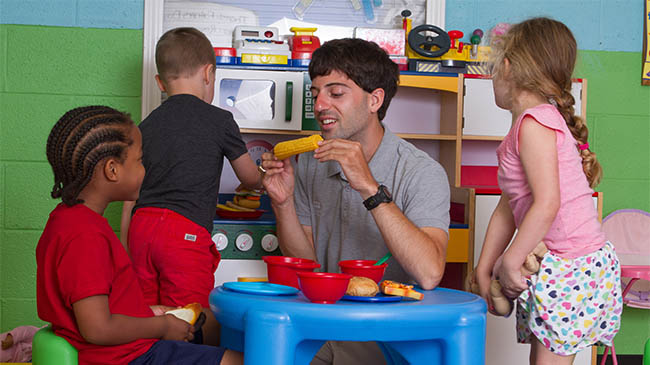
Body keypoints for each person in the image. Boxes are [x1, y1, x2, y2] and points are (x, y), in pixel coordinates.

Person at [260, 38, 450, 364]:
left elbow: (429, 273)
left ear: (375, 100)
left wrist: (368, 187)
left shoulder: (422, 172)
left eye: (335, 93)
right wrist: (284, 203)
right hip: (318, 329)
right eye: (315, 93)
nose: (319, 105)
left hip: (385, 338)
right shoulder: (308, 162)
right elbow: (306, 262)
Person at [37, 105, 243, 364]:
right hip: (129, 357)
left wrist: (150, 314)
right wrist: (162, 327)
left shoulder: (68, 220)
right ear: (112, 170)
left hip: (133, 345)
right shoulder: (84, 236)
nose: (144, 170)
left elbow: (101, 303)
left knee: (217, 320)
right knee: (243, 360)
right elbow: (97, 328)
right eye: (139, 161)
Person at [473, 17, 622, 364]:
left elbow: (548, 203)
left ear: (507, 67)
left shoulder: (534, 124)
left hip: (571, 266)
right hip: (566, 264)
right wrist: (485, 265)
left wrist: (510, 260)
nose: (492, 77)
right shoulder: (534, 121)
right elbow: (508, 204)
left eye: (494, 68)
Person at [121, 27, 262, 346]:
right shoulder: (220, 120)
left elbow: (130, 198)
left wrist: (127, 243)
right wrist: (267, 175)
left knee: (147, 317)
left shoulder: (145, 126)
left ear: (160, 82)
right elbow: (249, 178)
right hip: (182, 235)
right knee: (189, 318)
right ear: (209, 73)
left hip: (142, 229)